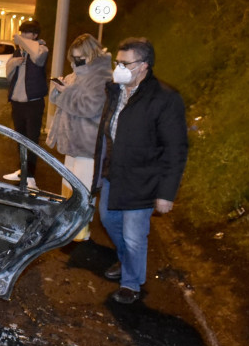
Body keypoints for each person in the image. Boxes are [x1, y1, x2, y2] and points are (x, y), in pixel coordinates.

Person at [93, 37, 188, 304]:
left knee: (134, 236)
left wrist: (166, 193)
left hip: (144, 179)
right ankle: (126, 263)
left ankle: (131, 284)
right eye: (117, 61)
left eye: (125, 63)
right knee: (109, 220)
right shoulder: (115, 91)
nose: (119, 67)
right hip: (114, 174)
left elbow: (175, 149)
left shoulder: (165, 98)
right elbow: (107, 135)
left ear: (144, 66)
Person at [46, 34, 112, 241]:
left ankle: (81, 231)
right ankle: (70, 227)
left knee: (82, 188)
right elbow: (64, 100)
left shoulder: (102, 76)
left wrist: (67, 92)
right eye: (73, 58)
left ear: (92, 54)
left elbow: (89, 107)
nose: (76, 62)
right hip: (71, 142)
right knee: (69, 185)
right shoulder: (76, 74)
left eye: (80, 57)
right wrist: (60, 90)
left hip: (87, 143)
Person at [3, 20, 49, 189]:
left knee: (32, 140)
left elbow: (38, 58)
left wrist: (21, 41)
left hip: (33, 103)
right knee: (20, 138)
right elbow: (8, 76)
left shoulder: (42, 50)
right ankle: (23, 170)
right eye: (21, 33)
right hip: (17, 103)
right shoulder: (18, 52)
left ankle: (31, 175)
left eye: (26, 33)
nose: (22, 37)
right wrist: (13, 63)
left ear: (35, 35)